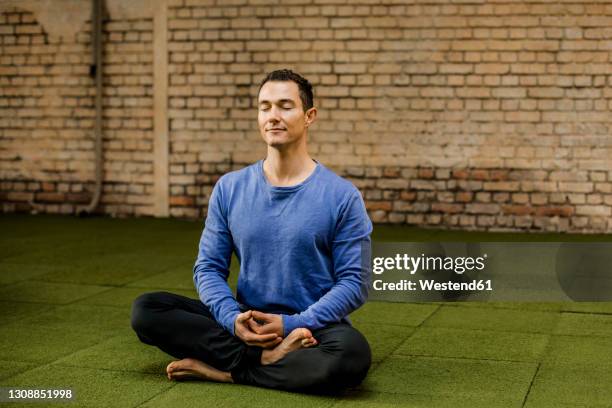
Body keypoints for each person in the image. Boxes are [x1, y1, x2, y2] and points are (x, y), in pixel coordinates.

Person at [131, 69, 373, 394]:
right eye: (265, 107)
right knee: (148, 310)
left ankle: (229, 371)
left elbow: (354, 283)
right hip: (248, 320)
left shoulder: (342, 196)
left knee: (351, 357)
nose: (273, 116)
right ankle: (264, 357)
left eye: (285, 106)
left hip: (312, 329)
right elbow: (208, 268)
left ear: (309, 115)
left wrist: (292, 324)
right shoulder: (230, 188)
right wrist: (233, 319)